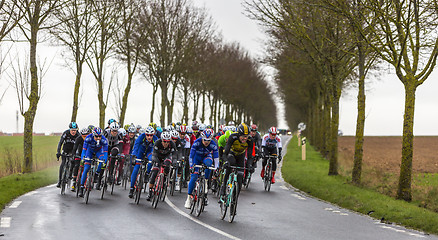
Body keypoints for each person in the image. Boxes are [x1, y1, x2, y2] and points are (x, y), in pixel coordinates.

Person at [219, 123, 254, 201]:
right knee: (230, 165)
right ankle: (223, 188)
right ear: (239, 135)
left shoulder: (250, 140)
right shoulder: (233, 137)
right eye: (243, 137)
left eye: (246, 136)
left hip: (241, 155)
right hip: (231, 153)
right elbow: (225, 153)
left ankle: (235, 199)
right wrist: (226, 161)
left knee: (240, 177)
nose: (245, 139)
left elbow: (250, 156)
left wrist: (250, 165)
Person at [184, 129, 219, 209]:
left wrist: (217, 168)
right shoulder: (197, 142)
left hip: (206, 157)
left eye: (208, 140)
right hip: (196, 158)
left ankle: (206, 181)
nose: (206, 142)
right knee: (194, 177)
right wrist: (191, 166)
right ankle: (189, 198)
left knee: (209, 164)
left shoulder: (213, 144)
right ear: (202, 138)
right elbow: (191, 156)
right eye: (205, 140)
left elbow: (216, 158)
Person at [146, 131, 177, 201]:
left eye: (167, 142)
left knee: (167, 166)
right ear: (161, 140)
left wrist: (175, 162)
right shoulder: (157, 142)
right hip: (158, 157)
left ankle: (164, 180)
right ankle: (150, 191)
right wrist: (155, 161)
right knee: (155, 172)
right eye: (164, 141)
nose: (166, 143)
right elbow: (154, 154)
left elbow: (174, 155)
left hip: (167, 157)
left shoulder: (172, 144)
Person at [129, 126, 158, 198]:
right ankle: (132, 188)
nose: (149, 137)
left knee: (151, 160)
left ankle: (147, 174)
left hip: (149, 152)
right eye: (147, 135)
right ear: (145, 134)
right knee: (136, 169)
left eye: (151, 135)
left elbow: (156, 151)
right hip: (140, 152)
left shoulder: (155, 139)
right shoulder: (141, 137)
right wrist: (134, 156)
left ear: (153, 135)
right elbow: (136, 147)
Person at [79, 127, 108, 197]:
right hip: (89, 151)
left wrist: (105, 161)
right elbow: (84, 150)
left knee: (102, 161)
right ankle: (81, 188)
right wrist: (83, 158)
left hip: (99, 151)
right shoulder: (88, 138)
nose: (98, 138)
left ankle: (96, 174)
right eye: (96, 136)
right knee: (86, 169)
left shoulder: (104, 140)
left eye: (99, 136)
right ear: (93, 135)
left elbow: (106, 152)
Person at [56, 122, 80, 188]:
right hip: (66, 149)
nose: (73, 132)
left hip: (73, 150)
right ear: (69, 129)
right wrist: (58, 152)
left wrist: (77, 154)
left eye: (75, 130)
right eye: (72, 130)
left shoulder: (78, 135)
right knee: (63, 164)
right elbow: (60, 143)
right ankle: (60, 181)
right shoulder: (66, 133)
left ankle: (70, 174)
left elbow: (79, 146)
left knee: (73, 161)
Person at [70, 127, 91, 191]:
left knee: (86, 168)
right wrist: (73, 155)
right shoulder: (78, 139)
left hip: (88, 153)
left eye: (86, 136)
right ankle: (74, 181)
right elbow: (75, 148)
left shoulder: (91, 139)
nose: (85, 138)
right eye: (83, 136)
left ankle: (86, 182)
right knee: (76, 165)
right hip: (79, 153)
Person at [103, 122, 123, 188]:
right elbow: (102, 142)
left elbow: (120, 144)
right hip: (107, 146)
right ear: (110, 129)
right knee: (104, 161)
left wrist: (119, 153)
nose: (115, 133)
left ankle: (110, 175)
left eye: (116, 131)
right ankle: (100, 178)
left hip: (115, 146)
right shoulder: (106, 132)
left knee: (114, 155)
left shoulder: (120, 134)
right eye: (113, 131)